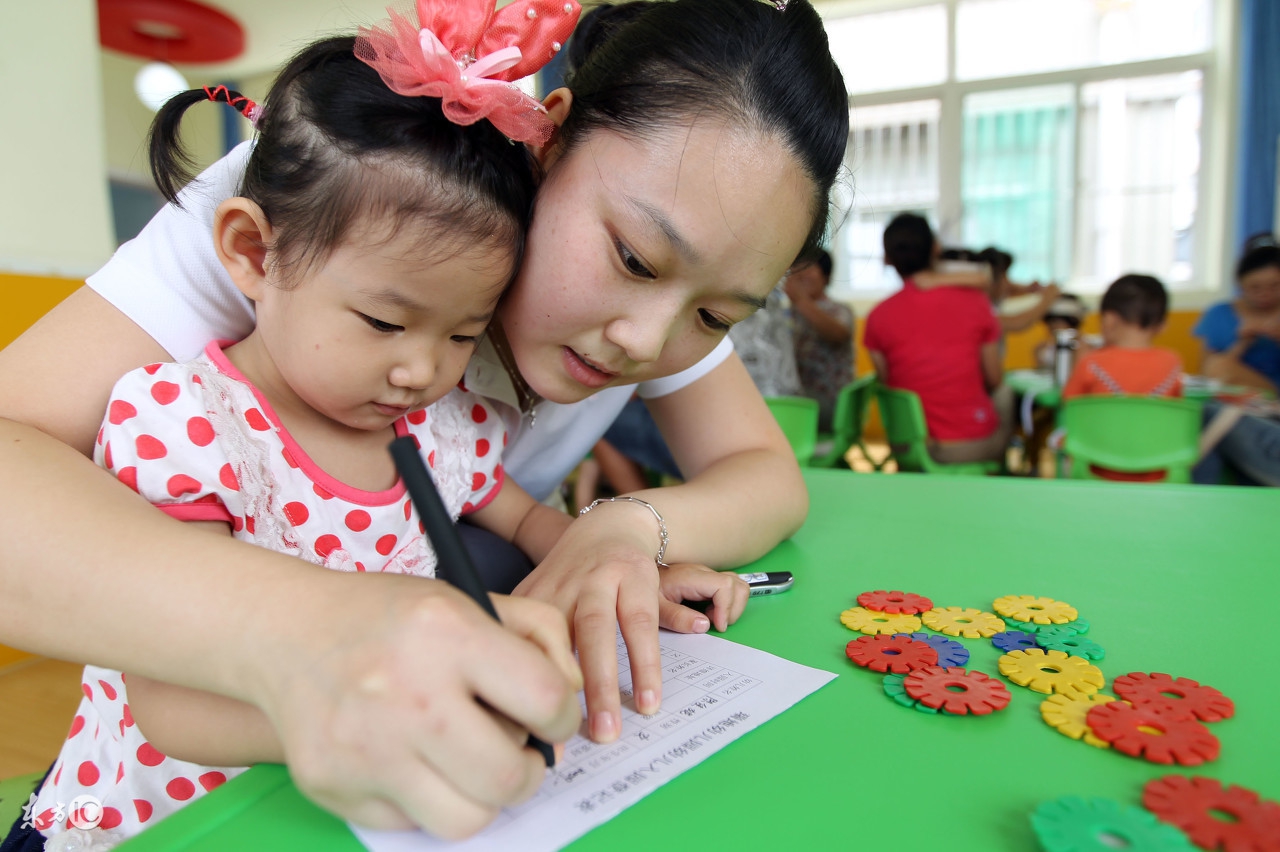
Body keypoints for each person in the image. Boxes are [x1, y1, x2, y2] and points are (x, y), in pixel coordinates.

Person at [0, 0, 849, 839]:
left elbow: (765, 474)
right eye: (631, 258)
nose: (646, 340)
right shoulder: (347, 193)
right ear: (546, 139)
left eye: (715, 316)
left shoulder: (670, 279)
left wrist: (621, 530)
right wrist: (310, 631)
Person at [864, 213, 1012, 466]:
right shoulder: (976, 303)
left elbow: (888, 381)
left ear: (887, 259)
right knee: (1005, 392)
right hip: (968, 447)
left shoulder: (877, 317)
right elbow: (994, 379)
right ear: (936, 250)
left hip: (908, 445)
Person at [1061, 274, 1184, 482]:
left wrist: (1079, 361)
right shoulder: (1173, 363)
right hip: (1158, 470)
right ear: (1162, 325)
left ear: (1108, 321)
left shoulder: (1091, 363)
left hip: (1098, 469)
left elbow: (1069, 406)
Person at [1194, 233, 1280, 395]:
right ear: (1240, 284)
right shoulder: (1219, 314)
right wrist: (1242, 342)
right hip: (1235, 396)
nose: (1265, 294)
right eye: (1255, 288)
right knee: (1218, 365)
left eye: (1274, 287)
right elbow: (1208, 373)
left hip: (1274, 393)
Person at [785, 247, 853, 431]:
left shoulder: (838, 310)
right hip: (801, 398)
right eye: (797, 268)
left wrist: (800, 300)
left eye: (809, 268)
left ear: (826, 276)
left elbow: (838, 335)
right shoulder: (787, 314)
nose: (801, 274)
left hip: (831, 404)